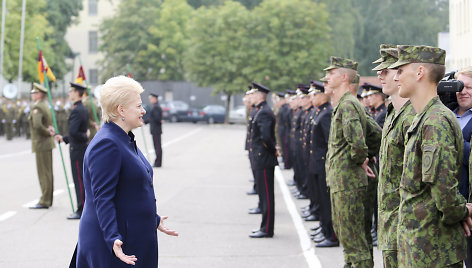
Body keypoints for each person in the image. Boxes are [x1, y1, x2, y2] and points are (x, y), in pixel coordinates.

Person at [75, 76, 178, 267]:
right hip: (114, 244)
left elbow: (128, 189)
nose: (143, 110)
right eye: (138, 106)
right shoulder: (107, 144)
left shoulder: (124, 138)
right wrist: (112, 237)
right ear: (120, 109)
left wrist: (152, 218)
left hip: (130, 237)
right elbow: (102, 198)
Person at [390, 45, 472, 267]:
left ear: (419, 72)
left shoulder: (435, 121)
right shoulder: (424, 117)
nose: (395, 76)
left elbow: (443, 189)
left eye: (400, 70)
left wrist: (460, 211)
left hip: (432, 250)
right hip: (419, 245)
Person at [324, 56, 375, 267]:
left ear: (344, 77)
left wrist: (362, 158)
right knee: (349, 239)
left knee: (354, 243)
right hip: (342, 183)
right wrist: (366, 156)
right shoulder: (347, 104)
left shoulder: (348, 105)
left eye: (330, 73)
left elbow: (358, 143)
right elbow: (376, 135)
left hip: (348, 184)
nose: (326, 78)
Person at [373, 45, 415, 267]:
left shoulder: (411, 117)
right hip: (388, 219)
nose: (380, 74)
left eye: (387, 70)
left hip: (404, 223)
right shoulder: (392, 113)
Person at [307, 82, 338, 247]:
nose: (312, 98)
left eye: (314, 94)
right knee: (322, 200)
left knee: (327, 202)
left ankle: (331, 235)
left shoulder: (326, 113)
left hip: (322, 163)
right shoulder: (319, 112)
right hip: (317, 163)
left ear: (322, 95)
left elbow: (328, 143)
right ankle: (325, 229)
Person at [55, 82, 89, 220]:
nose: (69, 94)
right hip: (81, 148)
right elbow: (78, 131)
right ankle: (84, 207)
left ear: (76, 93)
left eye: (71, 91)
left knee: (79, 180)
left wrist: (83, 136)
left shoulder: (76, 110)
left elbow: (75, 132)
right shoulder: (82, 108)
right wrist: (63, 138)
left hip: (77, 149)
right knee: (82, 179)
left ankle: (81, 209)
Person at [248, 81, 278, 238]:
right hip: (261, 158)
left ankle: (267, 229)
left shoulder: (264, 112)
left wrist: (273, 150)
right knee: (264, 194)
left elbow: (266, 137)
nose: (250, 97)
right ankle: (264, 227)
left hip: (264, 158)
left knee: (267, 196)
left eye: (253, 94)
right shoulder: (260, 110)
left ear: (260, 95)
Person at [454, 67, 472, 267]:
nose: (463, 91)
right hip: (450, 204)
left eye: (469, 87)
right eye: (459, 86)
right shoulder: (445, 115)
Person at [28, 83, 56, 209]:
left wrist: (47, 132)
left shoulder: (38, 107)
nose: (32, 95)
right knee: (48, 172)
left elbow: (38, 125)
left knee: (44, 173)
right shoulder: (45, 105)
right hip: (46, 143)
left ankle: (45, 200)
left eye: (34, 93)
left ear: (39, 94)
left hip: (41, 142)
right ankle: (48, 198)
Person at [145, 91, 163, 168]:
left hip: (156, 129)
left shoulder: (156, 107)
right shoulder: (155, 106)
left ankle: (158, 162)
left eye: (151, 98)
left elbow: (156, 118)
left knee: (157, 146)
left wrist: (147, 120)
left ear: (155, 99)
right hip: (155, 129)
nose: (150, 100)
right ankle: (157, 161)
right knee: (157, 146)